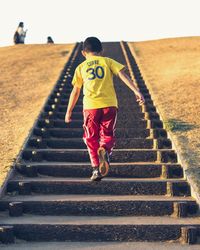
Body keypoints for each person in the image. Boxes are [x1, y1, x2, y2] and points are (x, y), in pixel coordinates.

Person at [65, 37, 145, 181]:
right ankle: (105, 149)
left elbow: (75, 91)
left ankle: (96, 168)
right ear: (101, 51)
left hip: (91, 107)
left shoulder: (81, 67)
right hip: (110, 105)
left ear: (83, 53)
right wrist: (136, 91)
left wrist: (69, 110)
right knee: (107, 134)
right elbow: (122, 74)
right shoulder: (107, 61)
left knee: (90, 138)